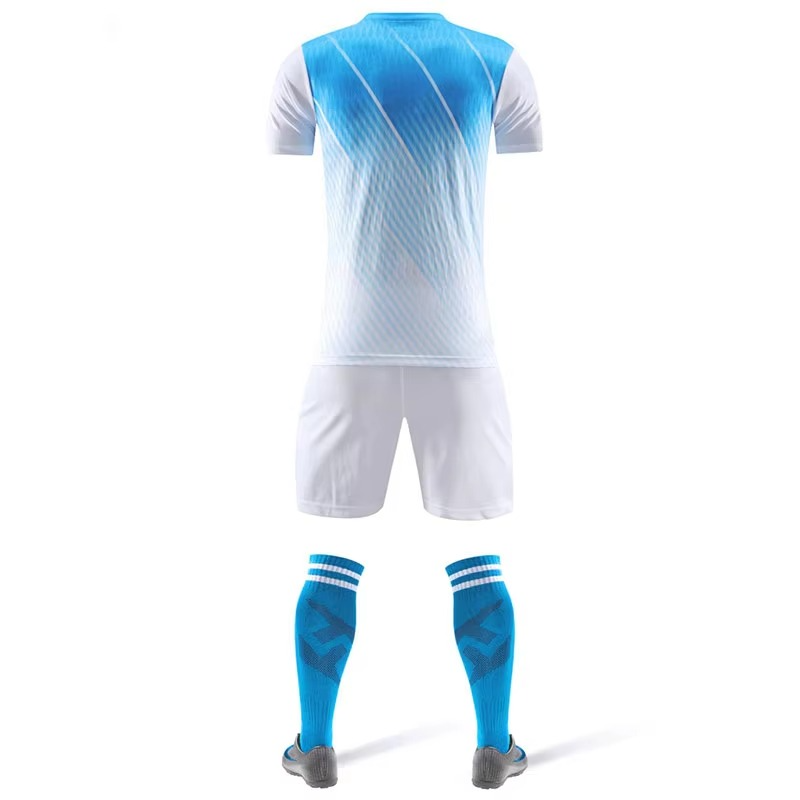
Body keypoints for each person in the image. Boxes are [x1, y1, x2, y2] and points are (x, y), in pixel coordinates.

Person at [267, 11, 543, 788]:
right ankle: (493, 746)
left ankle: (314, 744)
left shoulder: (309, 61)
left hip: (349, 341)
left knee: (331, 550)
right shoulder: (499, 62)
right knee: (474, 553)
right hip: (459, 342)